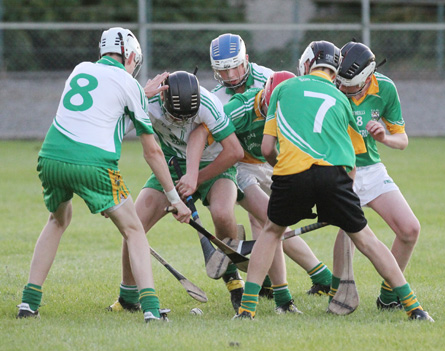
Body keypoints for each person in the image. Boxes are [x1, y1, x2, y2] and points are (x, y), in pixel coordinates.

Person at [233, 40, 433, 322]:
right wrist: (344, 188)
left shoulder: (281, 89)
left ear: (306, 64)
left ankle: (246, 309)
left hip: (293, 173)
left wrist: (284, 174)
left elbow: (267, 149)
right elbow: (349, 156)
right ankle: (415, 308)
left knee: (271, 233)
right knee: (366, 239)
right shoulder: (340, 99)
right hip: (336, 173)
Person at [16, 27, 191, 323]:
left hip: (50, 158)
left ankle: (28, 304)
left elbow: (101, 113)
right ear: (131, 56)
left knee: (58, 220)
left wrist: (140, 94)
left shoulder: (81, 69)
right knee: (134, 230)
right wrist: (175, 198)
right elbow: (152, 152)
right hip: (93, 165)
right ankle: (150, 309)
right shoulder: (129, 83)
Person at [107, 70, 245, 314]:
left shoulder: (208, 103)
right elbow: (111, 135)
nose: (182, 122)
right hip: (169, 166)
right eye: (176, 117)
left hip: (214, 165)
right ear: (164, 101)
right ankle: (128, 297)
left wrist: (195, 179)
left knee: (223, 214)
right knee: (133, 225)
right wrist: (106, 188)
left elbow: (234, 152)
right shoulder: (147, 103)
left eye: (188, 118)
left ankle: (233, 280)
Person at [210, 33, 331, 297]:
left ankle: (304, 278)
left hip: (276, 156)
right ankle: (294, 284)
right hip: (242, 164)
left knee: (270, 221)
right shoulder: (217, 97)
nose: (230, 75)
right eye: (222, 70)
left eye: (235, 67)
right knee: (265, 218)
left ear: (247, 60)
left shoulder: (271, 79)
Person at [329, 41, 422, 310]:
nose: (344, 89)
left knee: (410, 230)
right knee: (348, 229)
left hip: (371, 168)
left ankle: (389, 296)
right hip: (339, 168)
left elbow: (402, 140)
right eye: (341, 83)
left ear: (368, 76)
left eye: (351, 85)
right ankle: (338, 292)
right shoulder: (331, 87)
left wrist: (384, 137)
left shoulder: (386, 89)